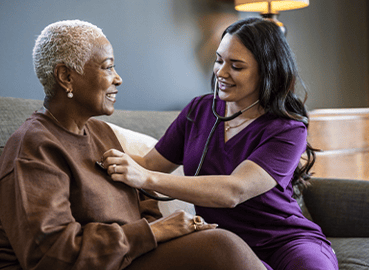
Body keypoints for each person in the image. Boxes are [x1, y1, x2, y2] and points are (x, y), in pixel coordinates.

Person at [0, 20, 268, 270]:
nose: (118, 78)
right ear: (66, 77)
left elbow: (144, 203)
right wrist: (153, 232)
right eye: (107, 66)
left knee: (220, 245)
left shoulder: (100, 132)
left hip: (131, 256)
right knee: (221, 248)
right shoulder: (33, 147)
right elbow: (51, 254)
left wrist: (168, 230)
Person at [101, 17, 339, 270]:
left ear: (267, 70)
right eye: (219, 60)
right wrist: (91, 153)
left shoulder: (287, 128)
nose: (221, 72)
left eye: (236, 66)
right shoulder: (198, 111)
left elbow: (233, 191)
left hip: (287, 241)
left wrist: (145, 178)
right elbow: (150, 163)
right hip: (225, 243)